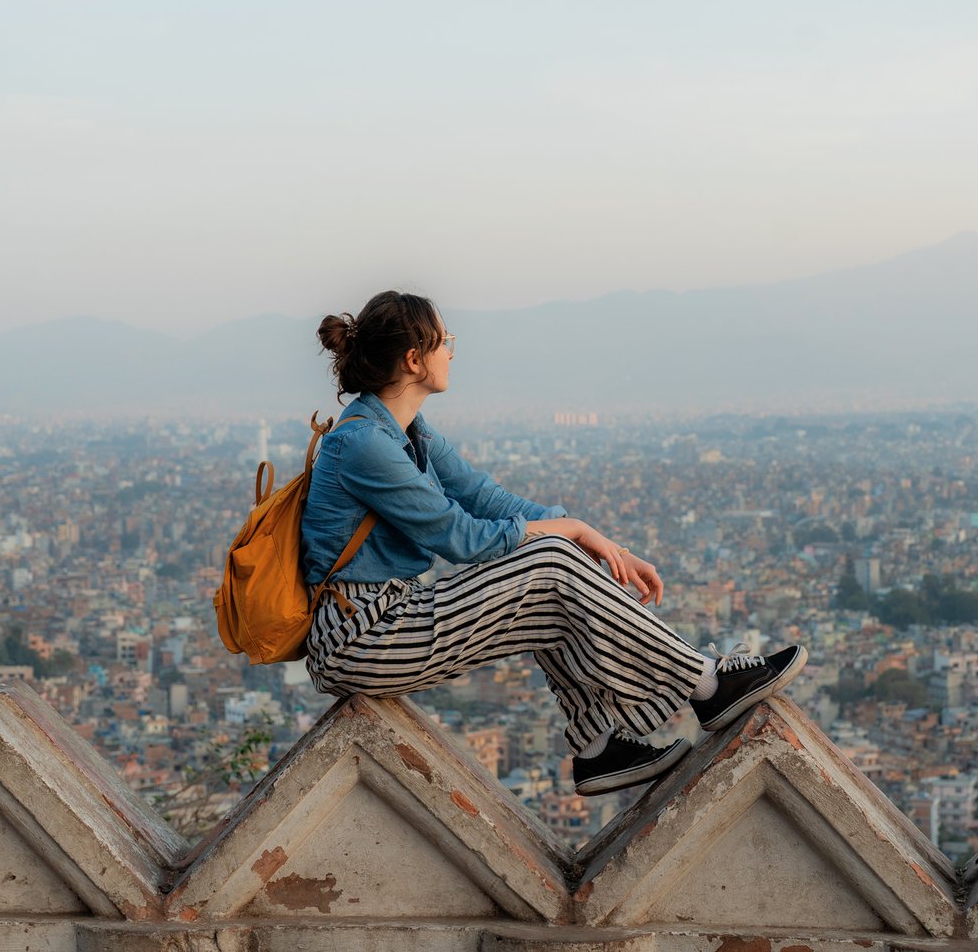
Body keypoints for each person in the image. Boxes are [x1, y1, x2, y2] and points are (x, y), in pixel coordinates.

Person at [301, 290, 806, 795]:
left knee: (550, 584)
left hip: (392, 616)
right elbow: (461, 537)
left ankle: (597, 747)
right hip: (359, 636)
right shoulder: (364, 442)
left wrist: (607, 546)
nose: (451, 352)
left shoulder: (409, 431)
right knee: (549, 562)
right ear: (414, 359)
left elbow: (483, 497)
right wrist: (572, 532)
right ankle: (709, 685)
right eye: (444, 341)